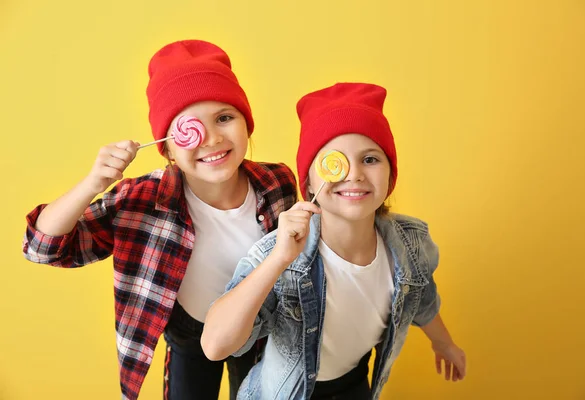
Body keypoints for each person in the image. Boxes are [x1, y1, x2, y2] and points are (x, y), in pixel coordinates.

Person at [22, 39, 297, 400]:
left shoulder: (278, 182)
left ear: (247, 124)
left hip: (259, 329)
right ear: (166, 146)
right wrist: (92, 184)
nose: (212, 138)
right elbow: (43, 249)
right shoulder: (141, 201)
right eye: (190, 128)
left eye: (225, 118)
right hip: (188, 332)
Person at [201, 82, 466, 399]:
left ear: (390, 175)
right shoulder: (281, 254)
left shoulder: (409, 243)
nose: (354, 174)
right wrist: (278, 261)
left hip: (353, 384)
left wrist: (443, 342)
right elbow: (216, 346)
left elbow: (421, 296)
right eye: (335, 162)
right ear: (310, 182)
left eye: (370, 159)